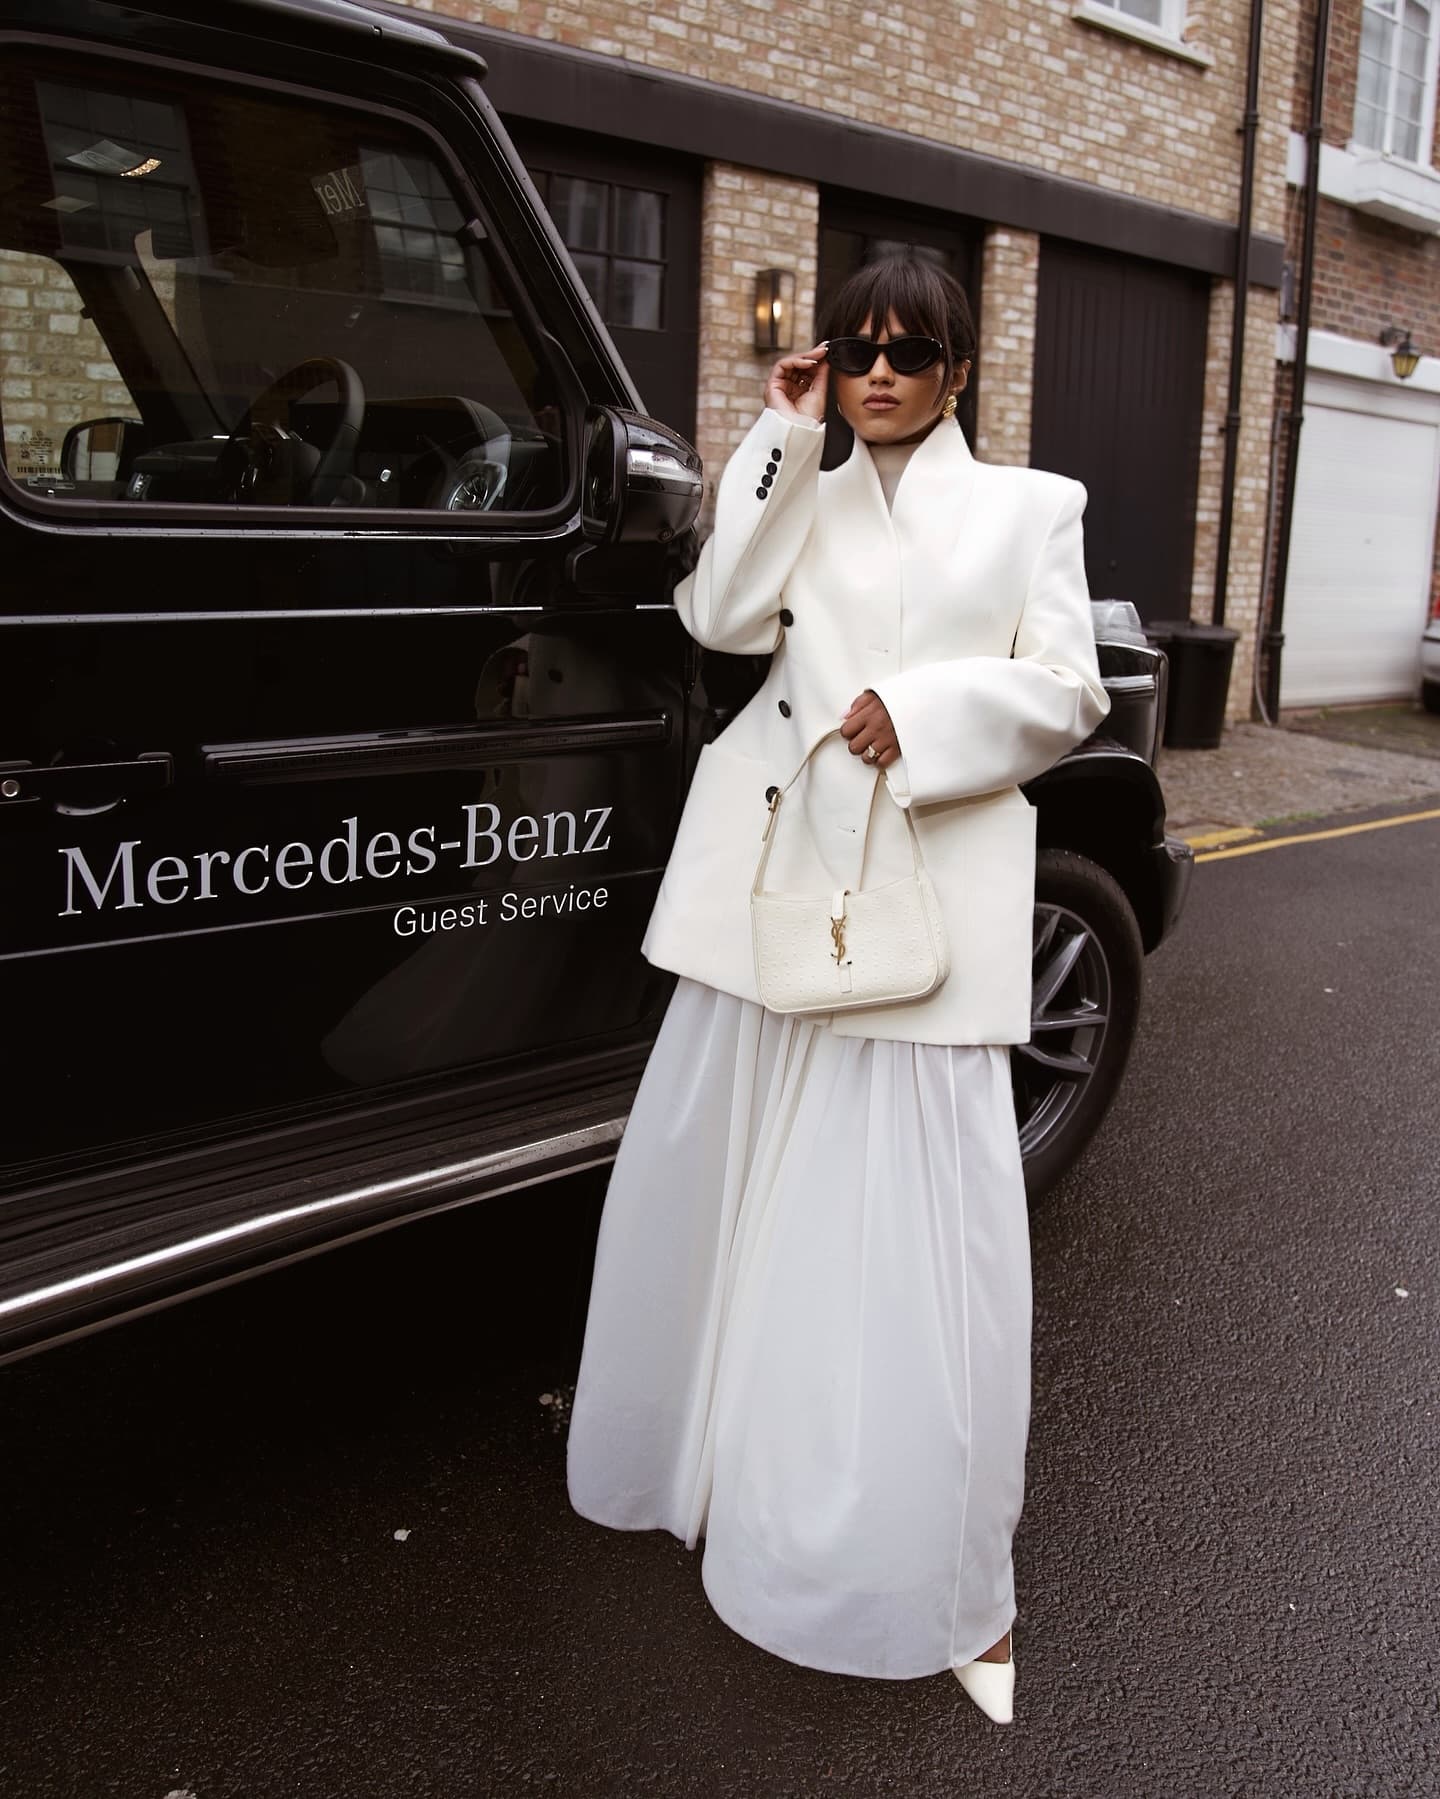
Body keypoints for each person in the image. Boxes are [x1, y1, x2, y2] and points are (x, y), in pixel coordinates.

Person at [565, 253, 1110, 1724]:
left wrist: (923, 714)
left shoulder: (1028, 508)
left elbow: (1070, 691)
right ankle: (702, 1465)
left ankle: (859, 1539)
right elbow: (722, 619)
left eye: (910, 352)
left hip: (922, 876)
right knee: (727, 1181)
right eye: (856, 348)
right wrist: (772, 430)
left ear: (958, 372)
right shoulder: (799, 466)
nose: (879, 373)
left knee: (888, 1222)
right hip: (774, 875)